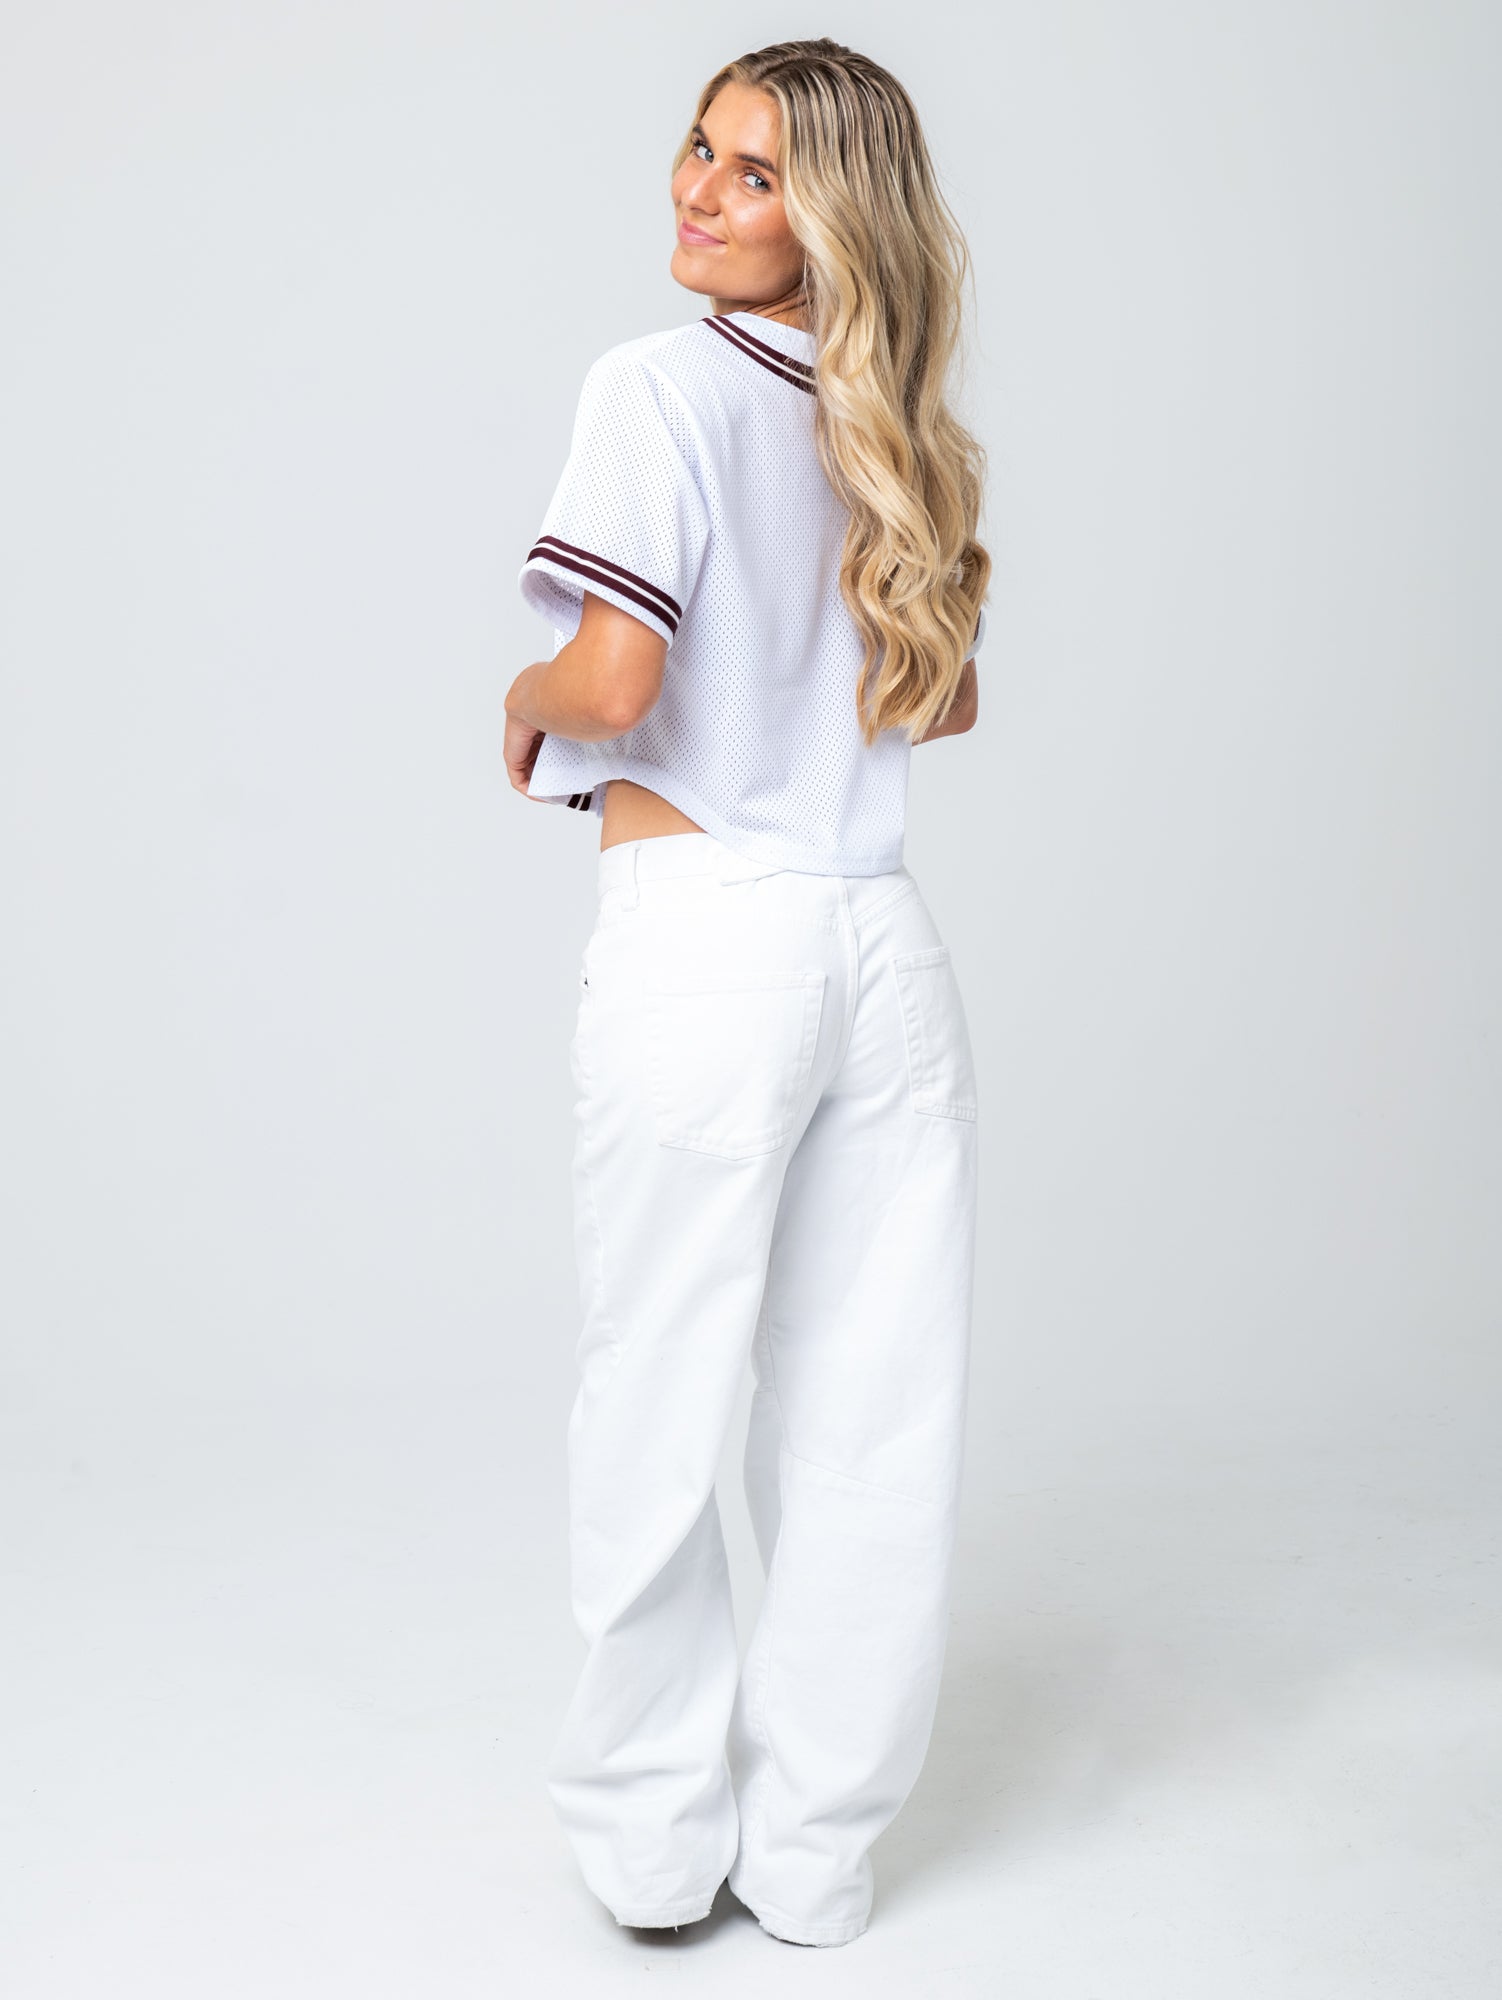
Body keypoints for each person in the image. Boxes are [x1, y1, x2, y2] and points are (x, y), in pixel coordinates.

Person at [504, 37, 991, 1950]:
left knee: (657, 1389)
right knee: (873, 1425)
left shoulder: (657, 386)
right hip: (882, 947)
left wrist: (521, 694)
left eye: (757, 172)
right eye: (698, 150)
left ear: (832, 213)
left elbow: (613, 683)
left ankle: (649, 1849)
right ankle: (813, 1861)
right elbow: (941, 698)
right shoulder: (900, 427)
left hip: (707, 933)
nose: (701, 193)